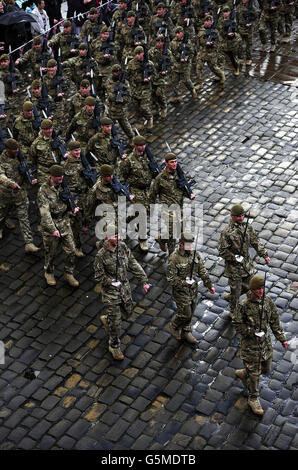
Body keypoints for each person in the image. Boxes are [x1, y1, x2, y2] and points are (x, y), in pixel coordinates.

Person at [233, 275, 288, 416]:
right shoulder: (243, 305)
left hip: (265, 345)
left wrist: (282, 339)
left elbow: (275, 320)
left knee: (266, 368)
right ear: (252, 290)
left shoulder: (267, 301)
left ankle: (245, 374)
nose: (261, 292)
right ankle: (253, 398)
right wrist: (252, 332)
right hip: (250, 347)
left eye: (262, 289)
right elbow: (237, 325)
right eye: (258, 290)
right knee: (255, 375)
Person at [93, 223, 150, 360]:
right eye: (114, 236)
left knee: (127, 312)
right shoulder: (100, 256)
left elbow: (132, 263)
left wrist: (143, 280)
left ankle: (108, 320)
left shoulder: (123, 247)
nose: (117, 238)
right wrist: (111, 282)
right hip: (110, 293)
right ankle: (114, 346)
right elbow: (99, 276)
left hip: (124, 289)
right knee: (117, 324)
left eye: (118, 235)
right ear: (107, 237)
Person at [218, 204, 270, 320]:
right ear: (232, 216)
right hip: (234, 268)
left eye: (242, 215)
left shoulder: (247, 227)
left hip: (247, 265)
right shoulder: (226, 232)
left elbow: (255, 242)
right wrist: (234, 257)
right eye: (238, 216)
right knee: (236, 292)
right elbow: (222, 251)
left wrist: (264, 254)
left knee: (249, 287)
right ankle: (233, 310)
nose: (241, 218)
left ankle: (231, 296)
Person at [167, 231, 215, 343]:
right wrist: (184, 283)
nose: (190, 247)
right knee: (186, 313)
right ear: (181, 244)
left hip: (193, 290)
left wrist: (209, 284)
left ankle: (186, 331)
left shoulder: (194, 254)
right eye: (188, 244)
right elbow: (170, 278)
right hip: (180, 291)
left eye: (191, 244)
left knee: (192, 311)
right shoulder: (174, 258)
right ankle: (174, 324)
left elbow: (202, 270)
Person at [37, 164, 80, 286]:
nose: (61, 178)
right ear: (51, 176)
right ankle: (49, 272)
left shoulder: (64, 186)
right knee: (50, 253)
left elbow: (70, 199)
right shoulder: (43, 191)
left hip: (64, 222)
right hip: (51, 225)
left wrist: (73, 208)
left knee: (71, 250)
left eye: (61, 176)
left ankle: (69, 272)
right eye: (58, 176)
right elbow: (45, 213)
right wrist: (52, 229)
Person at [149, 152, 195, 254]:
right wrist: (149, 209)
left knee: (181, 232)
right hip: (168, 210)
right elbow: (152, 194)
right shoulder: (160, 178)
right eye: (171, 162)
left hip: (180, 208)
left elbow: (184, 188)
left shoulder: (179, 174)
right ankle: (172, 256)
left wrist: (189, 194)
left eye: (175, 162)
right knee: (173, 234)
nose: (174, 164)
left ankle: (162, 239)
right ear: (166, 163)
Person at [0, 137, 40, 252]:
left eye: (17, 149)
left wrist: (30, 179)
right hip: (5, 194)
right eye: (14, 149)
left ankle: (29, 243)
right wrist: (11, 183)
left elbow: (27, 170)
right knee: (2, 214)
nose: (17, 151)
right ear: (7, 149)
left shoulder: (20, 157)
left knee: (24, 218)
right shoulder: (1, 161)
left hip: (20, 193)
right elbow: (1, 176)